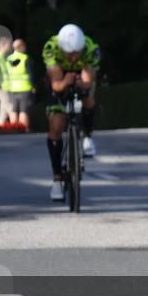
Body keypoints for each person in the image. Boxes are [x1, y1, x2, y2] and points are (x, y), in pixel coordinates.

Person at [42, 24, 101, 201]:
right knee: (56, 125)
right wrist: (65, 82)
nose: (75, 57)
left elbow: (88, 81)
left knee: (88, 98)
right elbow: (56, 85)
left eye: (78, 52)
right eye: (71, 54)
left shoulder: (91, 49)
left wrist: (81, 84)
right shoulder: (51, 48)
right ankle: (57, 179)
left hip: (81, 76)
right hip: (59, 77)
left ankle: (88, 137)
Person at [5, 39, 35, 131]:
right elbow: (30, 74)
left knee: (13, 110)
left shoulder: (8, 59)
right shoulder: (25, 58)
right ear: (21, 47)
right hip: (24, 88)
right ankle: (23, 129)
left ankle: (14, 129)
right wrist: (33, 86)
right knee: (23, 110)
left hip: (12, 89)